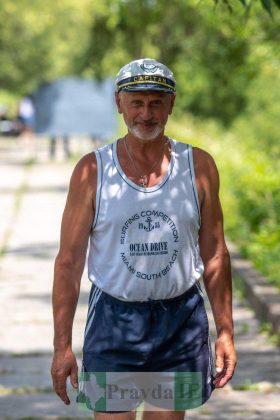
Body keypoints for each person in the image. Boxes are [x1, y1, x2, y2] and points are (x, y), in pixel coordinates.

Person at [51, 58, 236, 419]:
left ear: (171, 104)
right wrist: (62, 345)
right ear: (119, 103)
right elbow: (69, 263)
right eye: (136, 102)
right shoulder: (93, 170)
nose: (146, 113)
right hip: (114, 320)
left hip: (180, 321)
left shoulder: (198, 166)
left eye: (155, 102)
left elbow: (214, 253)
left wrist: (226, 330)